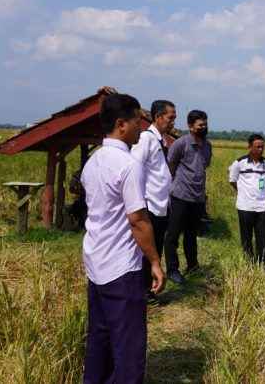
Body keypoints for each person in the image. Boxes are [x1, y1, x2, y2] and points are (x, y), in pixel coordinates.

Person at [81, 93, 166, 382]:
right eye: (136, 122)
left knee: (100, 340)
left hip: (95, 263)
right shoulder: (128, 165)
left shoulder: (92, 163)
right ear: (121, 124)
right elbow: (138, 220)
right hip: (121, 268)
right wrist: (155, 262)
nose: (141, 128)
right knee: (129, 349)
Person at [130, 100, 176, 303]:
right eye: (170, 118)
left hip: (161, 204)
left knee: (155, 247)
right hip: (149, 203)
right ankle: (142, 293)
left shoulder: (162, 141)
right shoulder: (146, 140)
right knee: (147, 251)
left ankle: (150, 290)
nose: (173, 122)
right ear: (158, 117)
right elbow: (134, 168)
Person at [164, 109, 212, 284]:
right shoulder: (181, 144)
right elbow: (171, 164)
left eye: (205, 124)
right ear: (191, 127)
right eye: (200, 125)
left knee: (191, 235)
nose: (204, 127)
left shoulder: (207, 145)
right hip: (180, 196)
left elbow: (204, 166)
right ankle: (172, 270)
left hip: (197, 198)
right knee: (173, 235)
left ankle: (192, 266)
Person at [228, 134, 265, 265]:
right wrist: (242, 192)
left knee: (263, 236)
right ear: (249, 147)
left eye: (262, 147)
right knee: (246, 236)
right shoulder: (239, 163)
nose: (260, 149)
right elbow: (232, 181)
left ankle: (263, 263)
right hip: (245, 206)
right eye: (257, 146)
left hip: (262, 206)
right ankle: (249, 261)